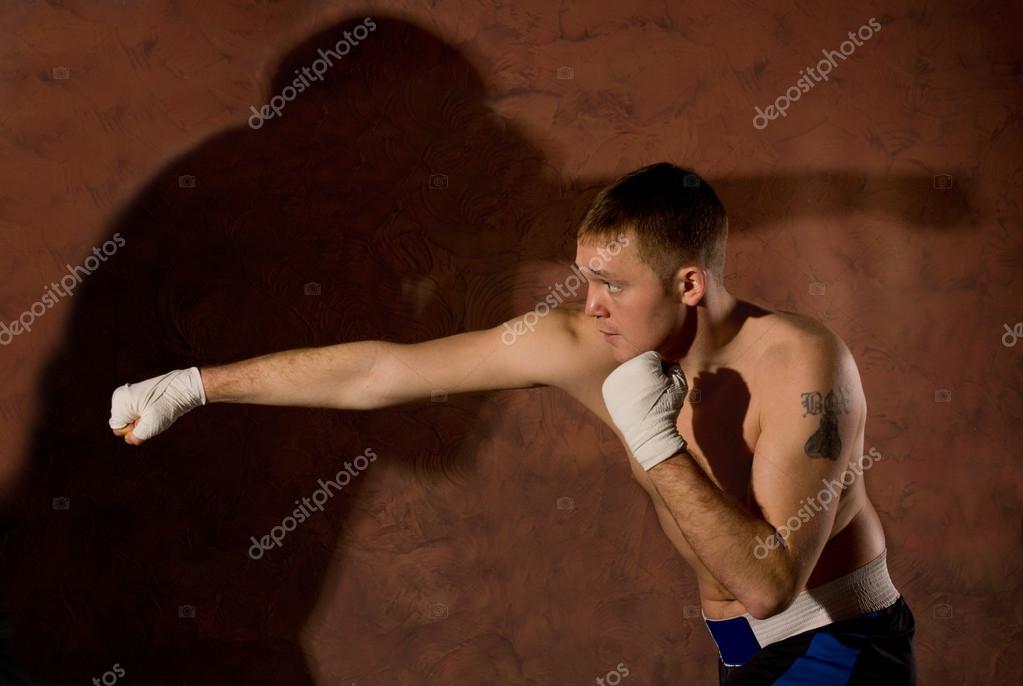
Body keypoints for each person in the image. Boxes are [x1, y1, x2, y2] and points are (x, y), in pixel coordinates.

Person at [108, 162, 915, 684]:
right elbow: (382, 371)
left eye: (610, 285)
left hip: (834, 647)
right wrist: (193, 384)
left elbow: (769, 587)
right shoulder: (584, 342)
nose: (589, 305)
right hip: (737, 654)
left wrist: (656, 442)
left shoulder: (800, 363)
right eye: (582, 280)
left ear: (690, 285)